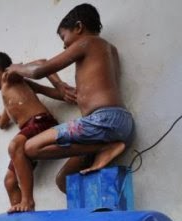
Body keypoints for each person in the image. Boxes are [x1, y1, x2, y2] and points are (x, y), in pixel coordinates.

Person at [7, 3, 134, 204]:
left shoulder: (86, 44)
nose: (65, 46)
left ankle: (103, 148)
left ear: (78, 27)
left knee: (30, 148)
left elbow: (39, 70)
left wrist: (15, 69)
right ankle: (94, 213)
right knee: (63, 180)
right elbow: (80, 94)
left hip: (102, 121)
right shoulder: (109, 51)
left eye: (64, 37)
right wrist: (42, 89)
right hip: (119, 122)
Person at [0, 51, 74, 212]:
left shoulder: (10, 76)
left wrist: (60, 85)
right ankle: (24, 219)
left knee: (14, 145)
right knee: (9, 181)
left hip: (40, 122)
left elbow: (42, 62)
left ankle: (27, 201)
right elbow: (2, 123)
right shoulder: (8, 92)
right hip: (29, 130)